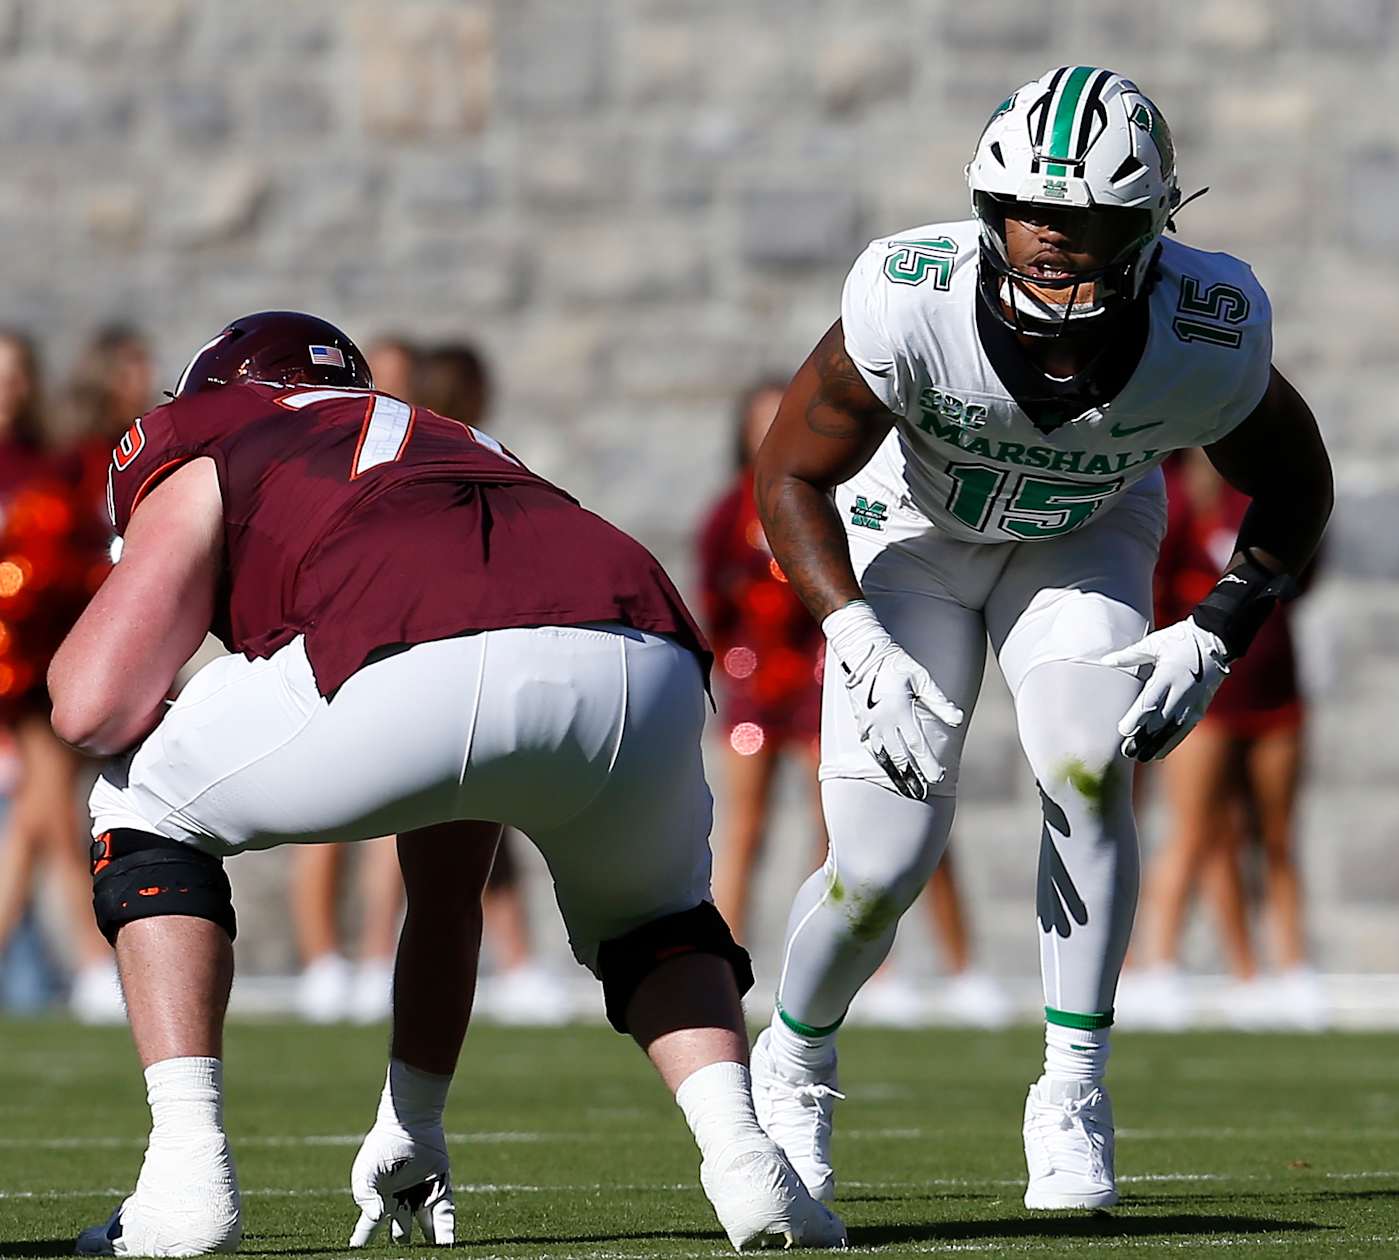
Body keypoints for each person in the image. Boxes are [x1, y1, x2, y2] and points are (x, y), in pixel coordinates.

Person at [49, 312, 843, 1254]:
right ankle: (748, 1164)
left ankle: (184, 1181)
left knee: (135, 799)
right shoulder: (454, 444)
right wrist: (412, 1122)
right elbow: (446, 892)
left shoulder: (218, 429)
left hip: (409, 643)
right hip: (642, 648)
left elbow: (88, 706)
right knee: (656, 921)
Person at [748, 67, 1332, 1211]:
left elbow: (1298, 484)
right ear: (987, 207)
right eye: (1034, 211)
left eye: (1091, 219)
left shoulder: (1205, 328)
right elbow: (790, 473)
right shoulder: (909, 292)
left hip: (1086, 534)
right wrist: (854, 634)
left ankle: (1072, 1090)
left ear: (1151, 227)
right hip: (913, 537)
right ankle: (796, 1058)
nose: (1056, 240)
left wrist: (1216, 631)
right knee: (881, 865)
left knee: (1087, 759)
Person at [698, 380, 1006, 1027]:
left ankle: (882, 969)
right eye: (758, 421)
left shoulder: (835, 494)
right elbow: (715, 599)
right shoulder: (731, 510)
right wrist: (733, 664)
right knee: (743, 831)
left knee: (847, 827)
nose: (767, 432)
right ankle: (719, 964)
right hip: (759, 689)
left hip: (827, 675)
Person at [1121, 451, 1323, 1031]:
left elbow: (1302, 573)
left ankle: (1285, 965)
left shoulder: (1274, 494)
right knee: (1197, 832)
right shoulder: (1178, 494)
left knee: (1277, 835)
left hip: (1274, 689)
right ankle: (1156, 960)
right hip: (1207, 698)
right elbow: (1157, 592)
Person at [411, 340, 569, 1026]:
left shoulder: (458, 456)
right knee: (437, 825)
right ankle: (365, 959)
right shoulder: (460, 459)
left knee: (476, 825)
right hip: (446, 652)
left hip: (455, 650)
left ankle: (515, 959)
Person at [288, 336, 414, 1024]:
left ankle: (374, 957)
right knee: (319, 813)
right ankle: (321, 961)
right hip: (323, 645)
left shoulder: (418, 456)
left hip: (393, 646)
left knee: (392, 816)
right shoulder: (317, 458)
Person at [0, 328, 121, 1021]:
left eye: (18, 373)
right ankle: (90, 958)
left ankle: (91, 959)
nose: (9, 387)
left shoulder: (44, 462)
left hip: (35, 660)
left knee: (38, 818)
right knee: (42, 816)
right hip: (10, 661)